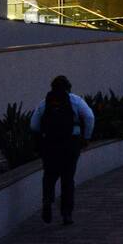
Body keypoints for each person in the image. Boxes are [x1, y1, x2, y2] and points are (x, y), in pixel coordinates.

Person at [30, 75, 95, 226]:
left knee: (49, 175)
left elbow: (33, 125)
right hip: (70, 144)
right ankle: (66, 214)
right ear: (69, 87)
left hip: (50, 144)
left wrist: (43, 136)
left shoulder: (45, 102)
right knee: (68, 178)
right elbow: (90, 117)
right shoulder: (75, 100)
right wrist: (86, 137)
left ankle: (47, 199)